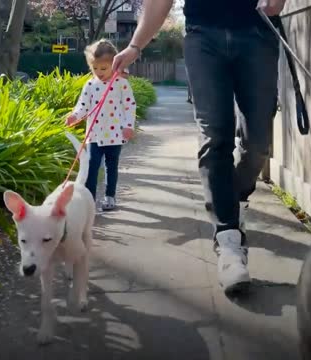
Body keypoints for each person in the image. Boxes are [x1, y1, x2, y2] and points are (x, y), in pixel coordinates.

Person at [112, 0, 286, 294]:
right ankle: (229, 241)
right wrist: (135, 46)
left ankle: (234, 199)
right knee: (215, 135)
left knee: (259, 143)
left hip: (257, 34)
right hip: (203, 36)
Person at [67, 39, 137, 211]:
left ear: (115, 64)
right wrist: (75, 116)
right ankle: (89, 200)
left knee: (111, 167)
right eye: (95, 68)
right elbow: (83, 105)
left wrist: (128, 126)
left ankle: (110, 196)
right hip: (94, 135)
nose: (98, 72)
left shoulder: (121, 84)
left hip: (115, 135)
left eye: (103, 68)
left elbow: (129, 105)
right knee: (91, 167)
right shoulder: (90, 84)